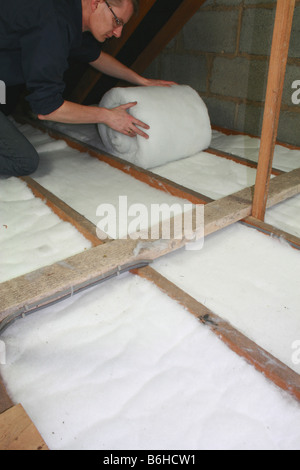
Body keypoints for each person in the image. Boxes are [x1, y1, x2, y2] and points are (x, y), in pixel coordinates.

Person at [0, 0, 175, 177]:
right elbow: (48, 108)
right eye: (117, 21)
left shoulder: (68, 13)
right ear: (96, 3)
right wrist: (108, 116)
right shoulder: (54, 23)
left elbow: (96, 57)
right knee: (23, 161)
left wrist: (141, 80)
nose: (118, 33)